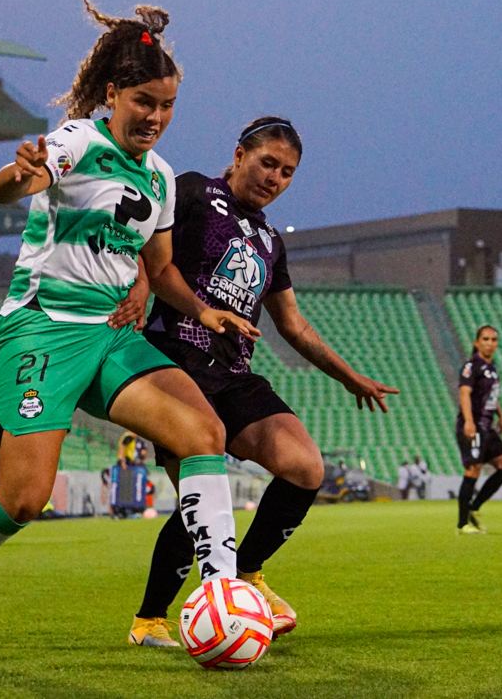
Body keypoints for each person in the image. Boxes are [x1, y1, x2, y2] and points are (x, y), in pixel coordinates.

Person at [0, 0, 259, 654]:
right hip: (41, 333)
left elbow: (162, 266)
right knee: (24, 498)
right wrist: (20, 174)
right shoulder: (77, 141)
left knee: (204, 430)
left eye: (167, 105)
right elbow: (9, 186)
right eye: (144, 101)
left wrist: (201, 309)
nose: (156, 117)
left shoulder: (163, 179)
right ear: (113, 94)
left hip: (111, 338)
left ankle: (223, 597)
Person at [123, 116, 398, 648]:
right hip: (174, 366)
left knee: (304, 467)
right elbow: (149, 252)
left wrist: (349, 377)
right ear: (239, 154)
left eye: (287, 172)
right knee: (203, 503)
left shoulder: (271, 240)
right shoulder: (195, 191)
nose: (274, 177)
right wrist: (165, 297)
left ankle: (247, 570)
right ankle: (150, 620)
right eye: (268, 162)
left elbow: (292, 324)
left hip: (234, 374)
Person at [455, 325, 502, 534]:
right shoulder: (472, 366)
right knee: (473, 469)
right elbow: (465, 394)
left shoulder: (492, 368)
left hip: (488, 426)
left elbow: (490, 395)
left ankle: (474, 507)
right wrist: (469, 422)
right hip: (475, 424)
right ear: (476, 342)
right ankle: (462, 524)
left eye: (493, 339)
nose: (490, 343)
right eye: (486, 339)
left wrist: (501, 414)